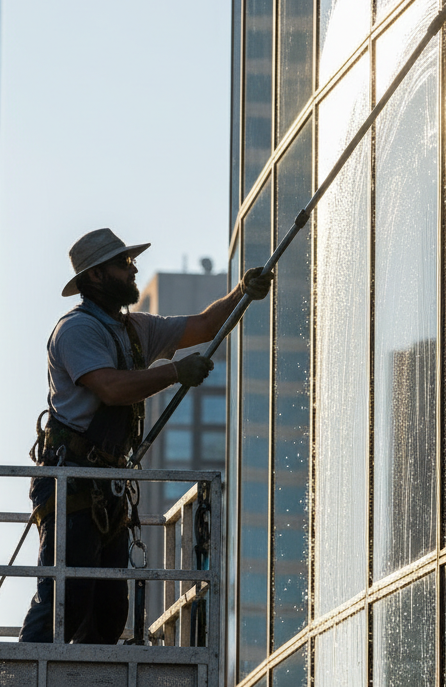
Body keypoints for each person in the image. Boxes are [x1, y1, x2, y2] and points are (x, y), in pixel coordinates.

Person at [19, 227, 272, 644]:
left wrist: (242, 292)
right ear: (96, 276)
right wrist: (174, 371)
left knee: (110, 611)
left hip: (107, 488)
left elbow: (207, 324)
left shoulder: (136, 330)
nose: (132, 269)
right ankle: (20, 675)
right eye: (123, 263)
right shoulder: (76, 331)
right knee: (65, 599)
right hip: (73, 483)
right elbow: (111, 387)